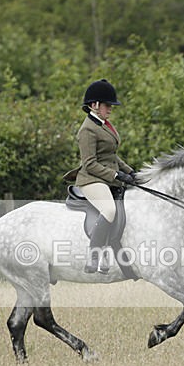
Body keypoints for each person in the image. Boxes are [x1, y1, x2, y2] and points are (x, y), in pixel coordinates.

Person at [64, 79, 136, 273]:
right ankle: (94, 255)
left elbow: (111, 156)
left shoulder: (105, 125)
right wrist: (117, 175)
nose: (110, 108)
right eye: (107, 105)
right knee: (109, 210)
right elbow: (90, 164)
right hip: (91, 179)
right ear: (94, 105)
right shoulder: (87, 129)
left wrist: (130, 172)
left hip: (105, 176)